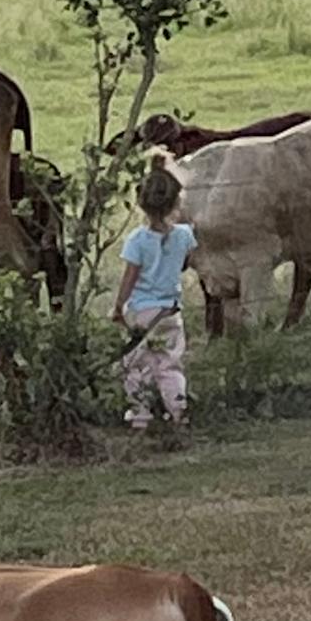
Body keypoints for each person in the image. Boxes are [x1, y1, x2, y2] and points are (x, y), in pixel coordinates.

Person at [114, 160, 196, 431]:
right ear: (175, 203)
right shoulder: (184, 235)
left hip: (141, 312)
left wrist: (118, 306)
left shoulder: (137, 241)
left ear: (141, 202)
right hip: (171, 311)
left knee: (135, 364)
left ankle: (140, 415)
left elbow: (130, 277)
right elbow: (184, 262)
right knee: (170, 365)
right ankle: (178, 412)